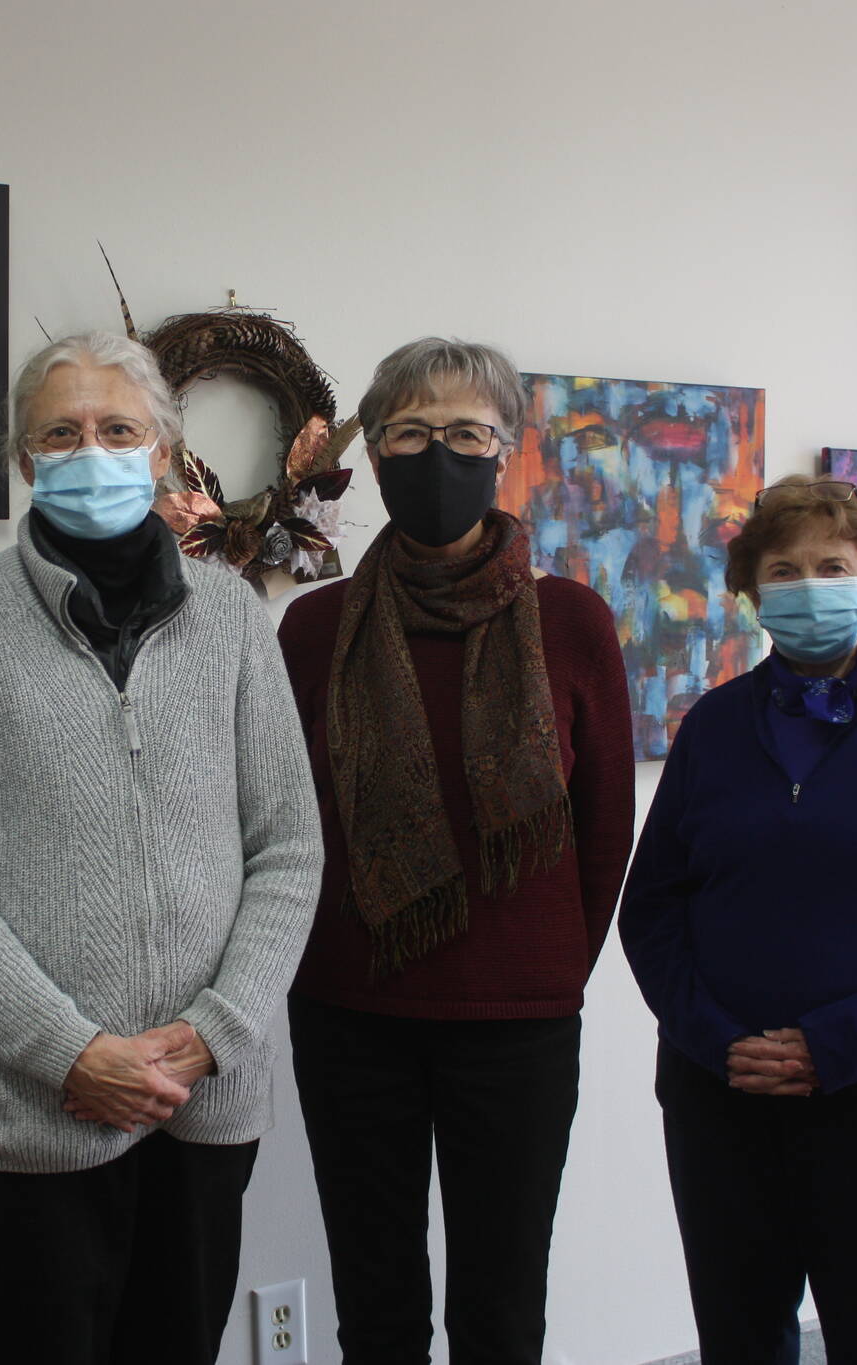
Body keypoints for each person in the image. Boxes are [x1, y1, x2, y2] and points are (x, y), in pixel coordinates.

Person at [0, 330, 323, 1365]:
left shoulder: (232, 618)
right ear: (28, 463)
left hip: (200, 1102)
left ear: (163, 453)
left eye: (117, 428)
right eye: (61, 433)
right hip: (20, 1114)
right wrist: (67, 1051)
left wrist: (217, 1029)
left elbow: (288, 850)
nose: (91, 451)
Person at [275, 337, 635, 1364]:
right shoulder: (312, 627)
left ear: (505, 452)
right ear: (376, 459)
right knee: (376, 1306)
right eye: (411, 433)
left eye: (466, 433)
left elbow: (604, 826)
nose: (440, 455)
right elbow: (280, 824)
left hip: (514, 1025)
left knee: (501, 1306)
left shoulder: (570, 623)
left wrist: (552, 966)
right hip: (348, 1013)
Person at [618, 474, 857, 1365]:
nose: (808, 585)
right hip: (724, 1098)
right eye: (783, 571)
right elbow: (653, 912)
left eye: (832, 565)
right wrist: (719, 1041)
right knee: (739, 1343)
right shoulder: (713, 724)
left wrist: (835, 1046)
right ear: (754, 594)